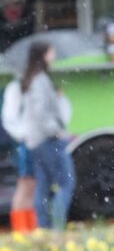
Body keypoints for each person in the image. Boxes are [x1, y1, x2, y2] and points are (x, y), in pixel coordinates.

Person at [20, 41, 76, 230]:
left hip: (37, 140)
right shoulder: (40, 80)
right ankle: (56, 226)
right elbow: (41, 112)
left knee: (43, 184)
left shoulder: (33, 79)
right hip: (48, 139)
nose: (54, 55)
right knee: (66, 183)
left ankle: (43, 227)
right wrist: (56, 131)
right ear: (43, 55)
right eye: (51, 52)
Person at [1, 78, 37, 232]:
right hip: (22, 142)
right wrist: (24, 135)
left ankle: (28, 227)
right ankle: (22, 228)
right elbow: (10, 120)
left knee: (28, 185)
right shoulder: (15, 87)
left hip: (23, 141)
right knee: (24, 184)